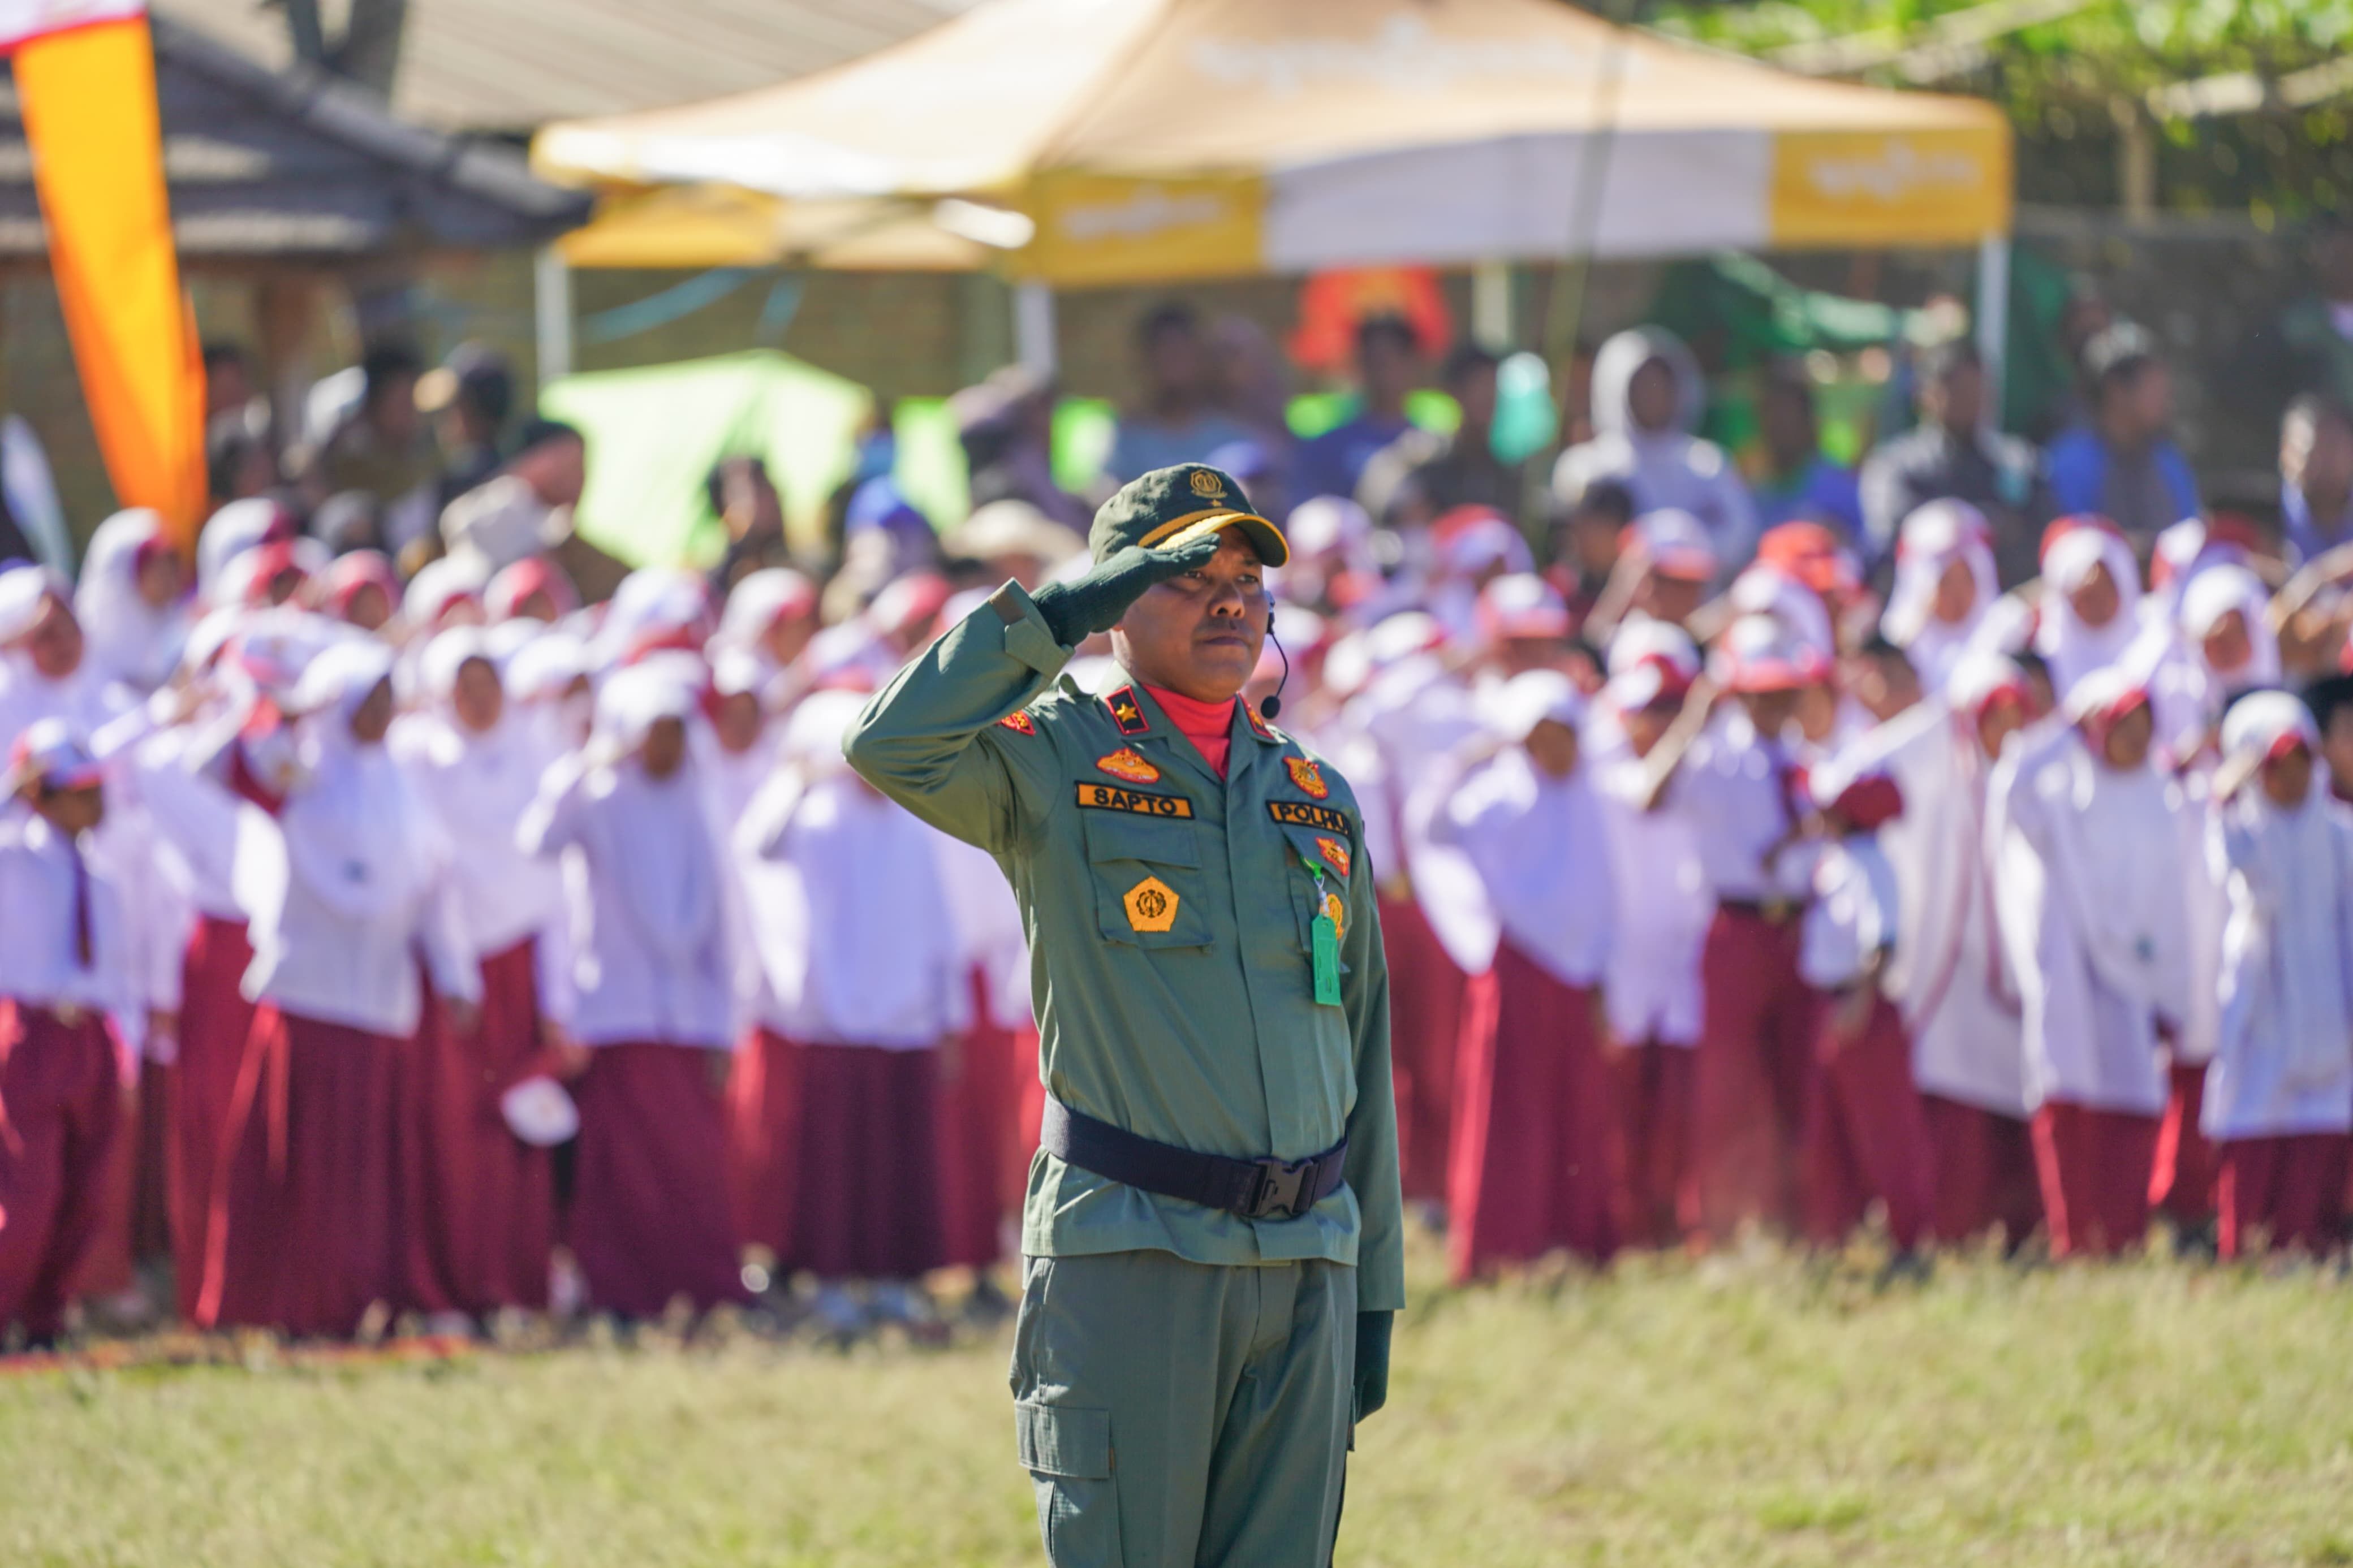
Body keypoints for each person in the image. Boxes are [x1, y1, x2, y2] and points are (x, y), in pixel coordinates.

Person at [845, 463, 1400, 1566]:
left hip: (1306, 1270)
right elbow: (890, 745)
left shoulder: (1312, 794)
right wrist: (1057, 616)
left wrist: (1369, 1286)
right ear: (1117, 598)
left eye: (1248, 578)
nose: (1231, 600)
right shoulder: (1056, 756)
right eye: (1191, 576)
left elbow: (1362, 1048)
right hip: (1135, 1256)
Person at [200, 640, 480, 1337]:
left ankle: (357, 1299)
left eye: (389, 697)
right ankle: (282, 1303)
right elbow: (210, 765)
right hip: (309, 996)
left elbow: (431, 886)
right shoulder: (302, 773)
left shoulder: (402, 786)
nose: (383, 712)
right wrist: (276, 712)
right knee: (295, 1165)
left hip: (380, 1003)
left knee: (365, 1177)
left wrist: (455, 977)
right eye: (370, 697)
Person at [516, 664, 748, 1320]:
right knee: (622, 1171)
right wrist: (583, 763)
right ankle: (619, 1291)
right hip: (617, 1012)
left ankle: (699, 1287)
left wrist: (723, 1028)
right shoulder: (597, 796)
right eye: (654, 732)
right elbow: (537, 840)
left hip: (687, 1021)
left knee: (689, 1169)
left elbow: (718, 928)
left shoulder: (697, 803)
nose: (667, 747)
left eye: (676, 731)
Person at [741, 690, 961, 1333]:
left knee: (898, 1163)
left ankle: (893, 1282)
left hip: (905, 1019)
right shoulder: (813, 816)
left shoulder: (913, 819)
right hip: (833, 1017)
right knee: (834, 1166)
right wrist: (796, 772)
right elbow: (756, 844)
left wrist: (947, 1020)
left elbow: (939, 925)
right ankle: (831, 1281)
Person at [1988, 671, 2209, 1258]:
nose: (2132, 740)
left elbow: (2179, 896)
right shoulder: (2062, 800)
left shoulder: (2165, 799)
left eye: (2142, 726)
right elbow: (2011, 790)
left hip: (2139, 978)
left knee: (2133, 1104)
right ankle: (2074, 1239)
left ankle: (2123, 1236)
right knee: (2070, 1101)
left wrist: (2168, 981)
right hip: (2074, 974)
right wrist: (2064, 729)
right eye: (2119, 726)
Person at [391, 629, 571, 1313]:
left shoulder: (532, 753)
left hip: (521, 966)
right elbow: (430, 870)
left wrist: (557, 994)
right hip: (448, 973)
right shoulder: (420, 759)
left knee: (516, 1126)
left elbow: (553, 880)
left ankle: (515, 1279)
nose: (477, 699)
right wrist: (455, 970)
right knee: (450, 1132)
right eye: (462, 685)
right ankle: (445, 1282)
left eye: (486, 681)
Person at [1640, 616, 1828, 1243]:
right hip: (1737, 926)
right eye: (1763, 692)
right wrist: (1695, 715)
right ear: (1740, 693)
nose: (1777, 704)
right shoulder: (1716, 755)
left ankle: (1790, 1217)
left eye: (1785, 691)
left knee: (1794, 1076)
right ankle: (1717, 1221)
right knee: (1728, 1081)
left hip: (1796, 928)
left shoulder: (1803, 756)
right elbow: (1649, 795)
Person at [1845, 653, 2040, 1245]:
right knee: (1955, 1094)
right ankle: (1955, 1225)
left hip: (2008, 950)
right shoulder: (1929, 751)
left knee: (2013, 1090)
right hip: (1949, 953)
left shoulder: (2026, 767)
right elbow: (1862, 781)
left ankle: (2016, 1226)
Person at [1432, 671, 1616, 1280]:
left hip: (1575, 981)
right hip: (1518, 971)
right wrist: (1465, 760)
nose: (1557, 750)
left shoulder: (1588, 801)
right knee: (1509, 1112)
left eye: (1564, 735)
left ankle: (1573, 1238)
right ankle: (1498, 1244)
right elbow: (1434, 827)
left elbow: (1603, 899)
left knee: (1575, 1110)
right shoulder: (1500, 797)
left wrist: (1601, 977)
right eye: (1542, 736)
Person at [2202, 693, 2353, 1259]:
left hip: (2325, 1005)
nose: (2288, 780)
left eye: (2298, 765)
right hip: (2261, 1003)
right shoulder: (2241, 832)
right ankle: (2244, 1245)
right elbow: (2241, 880)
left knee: (2318, 1125)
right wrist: (2227, 792)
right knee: (2254, 1118)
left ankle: (2307, 1242)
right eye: (2274, 767)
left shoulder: (2338, 833)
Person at [0, 723, 136, 1345]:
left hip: (91, 1038)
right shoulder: (12, 858)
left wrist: (123, 1052)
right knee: (27, 1188)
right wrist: (15, 786)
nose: (95, 801)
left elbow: (117, 973)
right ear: (40, 795)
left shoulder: (104, 876)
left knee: (87, 1192)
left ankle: (46, 1314)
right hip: (31, 1032)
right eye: (78, 790)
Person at [1590, 630, 1710, 1247]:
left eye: (1672, 706)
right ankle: (1626, 1229)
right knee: (1623, 1110)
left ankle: (1678, 1227)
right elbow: (1644, 794)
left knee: (1682, 1108)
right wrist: (1695, 721)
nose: (1659, 722)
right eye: (1650, 708)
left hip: (1686, 959)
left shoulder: (1704, 769)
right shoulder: (1602, 772)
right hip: (1625, 961)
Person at [1792, 766, 1934, 1259]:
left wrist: (1860, 999)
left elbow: (1883, 940)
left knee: (1885, 1128)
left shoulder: (1873, 862)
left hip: (1861, 1009)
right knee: (1825, 1130)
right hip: (1828, 1003)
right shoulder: (1836, 860)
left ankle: (1909, 1237)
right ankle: (1830, 1236)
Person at [1553, 326, 1756, 573]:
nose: (1653, 395)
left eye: (1661, 385)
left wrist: (1682, 554)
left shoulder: (1709, 465)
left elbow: (1741, 535)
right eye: (1643, 385)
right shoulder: (1585, 467)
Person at [1859, 340, 2049, 585]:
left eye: (1977, 388)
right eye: (1956, 388)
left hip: (2004, 604)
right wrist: (1985, 526)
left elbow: (2044, 537)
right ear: (1926, 394)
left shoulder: (2019, 462)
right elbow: (1889, 539)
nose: (1970, 399)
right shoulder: (1895, 466)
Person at [2044, 324, 2200, 545]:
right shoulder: (2069, 464)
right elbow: (2071, 550)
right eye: (2153, 385)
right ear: (2116, 390)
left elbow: (2189, 542)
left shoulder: (2170, 464)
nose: (2165, 397)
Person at [1356, 343, 1525, 528]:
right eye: (1478, 385)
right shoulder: (1422, 456)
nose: (1487, 397)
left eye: (1493, 386)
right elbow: (1376, 498)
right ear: (1455, 392)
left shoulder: (1504, 476)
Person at [305, 342, 439, 556]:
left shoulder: (431, 465)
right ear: (373, 405)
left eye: (414, 403)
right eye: (402, 403)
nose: (412, 414)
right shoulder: (342, 476)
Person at [1105, 304, 1255, 483]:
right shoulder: (1130, 438)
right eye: (1165, 354)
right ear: (1146, 362)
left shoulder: (1230, 431)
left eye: (1181, 353)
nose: (1174, 366)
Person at [1294, 314, 1421, 506]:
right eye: (1373, 361)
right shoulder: (1326, 449)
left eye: (1389, 360)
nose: (1382, 372)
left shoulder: (1434, 448)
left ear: (1412, 364)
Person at [1878, 500, 2001, 698]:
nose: (1957, 593)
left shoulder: (2010, 642)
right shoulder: (1887, 666)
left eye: (1967, 579)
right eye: (1945, 582)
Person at [1747, 362, 1863, 545]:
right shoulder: (1755, 493)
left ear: (1809, 423)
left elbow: (1866, 550)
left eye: (1787, 420)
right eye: (1771, 419)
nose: (1778, 430)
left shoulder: (1839, 487)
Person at [2278, 395, 2353, 565]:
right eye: (2312, 454)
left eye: (2334, 451)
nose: (2325, 464)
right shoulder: (2256, 522)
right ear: (2286, 453)